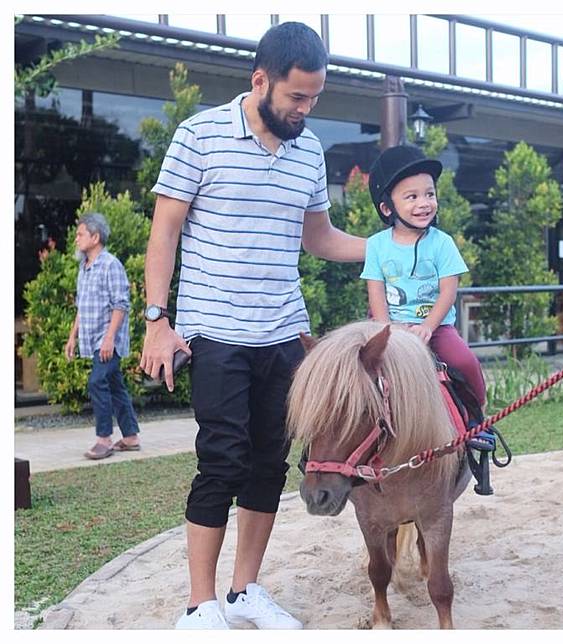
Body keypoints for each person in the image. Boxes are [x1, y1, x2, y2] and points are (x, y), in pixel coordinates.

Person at [139, 22, 365, 630]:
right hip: (214, 329)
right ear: (259, 79)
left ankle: (244, 591)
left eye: (314, 98)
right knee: (223, 459)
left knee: (269, 461)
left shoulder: (308, 149)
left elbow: (317, 238)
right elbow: (164, 232)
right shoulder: (200, 136)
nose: (305, 109)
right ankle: (199, 604)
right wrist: (157, 322)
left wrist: (388, 248)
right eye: (296, 97)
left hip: (283, 331)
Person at [361, 145, 489, 419]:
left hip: (435, 327)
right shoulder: (376, 245)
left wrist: (427, 328)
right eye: (412, 197)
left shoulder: (442, 243)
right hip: (388, 326)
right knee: (357, 366)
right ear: (387, 207)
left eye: (429, 194)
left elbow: (447, 292)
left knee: (464, 361)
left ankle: (479, 415)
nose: (424, 203)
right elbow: (376, 290)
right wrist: (386, 329)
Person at [65, 212, 141, 460]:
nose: (76, 238)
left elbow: (121, 305)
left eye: (80, 234)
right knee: (115, 385)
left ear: (95, 237)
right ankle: (130, 437)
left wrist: (109, 339)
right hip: (91, 338)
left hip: (108, 340)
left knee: (97, 381)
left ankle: (104, 439)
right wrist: (72, 337)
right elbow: (81, 306)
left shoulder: (111, 265)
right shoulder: (83, 268)